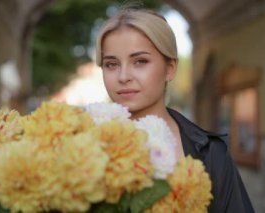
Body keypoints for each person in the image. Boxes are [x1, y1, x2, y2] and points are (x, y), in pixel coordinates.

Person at [95, 8, 254, 213]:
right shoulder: (78, 144)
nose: (123, 76)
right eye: (111, 64)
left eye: (140, 61)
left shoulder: (210, 153)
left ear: (170, 68)